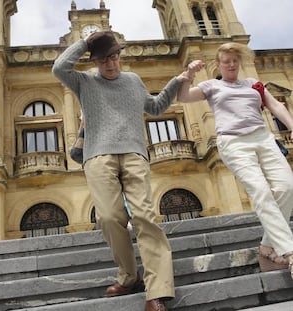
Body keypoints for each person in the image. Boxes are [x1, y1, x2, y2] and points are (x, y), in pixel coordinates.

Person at [52, 31, 192, 311]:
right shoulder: (84, 81)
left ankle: (157, 292)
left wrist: (177, 82)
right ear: (95, 61)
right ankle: (129, 277)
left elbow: (154, 108)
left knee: (145, 217)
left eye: (114, 57)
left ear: (120, 56)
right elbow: (59, 68)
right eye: (104, 59)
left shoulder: (133, 81)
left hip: (134, 153)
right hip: (97, 156)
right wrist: (83, 43)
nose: (111, 64)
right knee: (108, 217)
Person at [177, 42, 293, 278]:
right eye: (226, 61)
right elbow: (183, 96)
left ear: (239, 62)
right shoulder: (211, 85)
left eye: (234, 60)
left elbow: (277, 106)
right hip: (233, 143)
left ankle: (266, 247)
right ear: (218, 64)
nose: (231, 64)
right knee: (261, 191)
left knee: (286, 187)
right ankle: (290, 252)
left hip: (263, 138)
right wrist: (188, 74)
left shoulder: (253, 84)